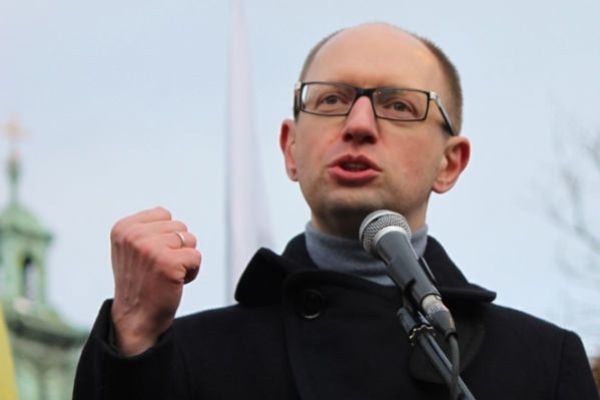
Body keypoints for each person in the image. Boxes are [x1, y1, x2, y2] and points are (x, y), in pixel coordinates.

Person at [73, 23, 599, 399]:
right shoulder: (189, 357)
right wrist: (134, 333)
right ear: (290, 149)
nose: (359, 124)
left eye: (399, 105)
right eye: (330, 100)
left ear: (450, 163)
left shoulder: (539, 364)